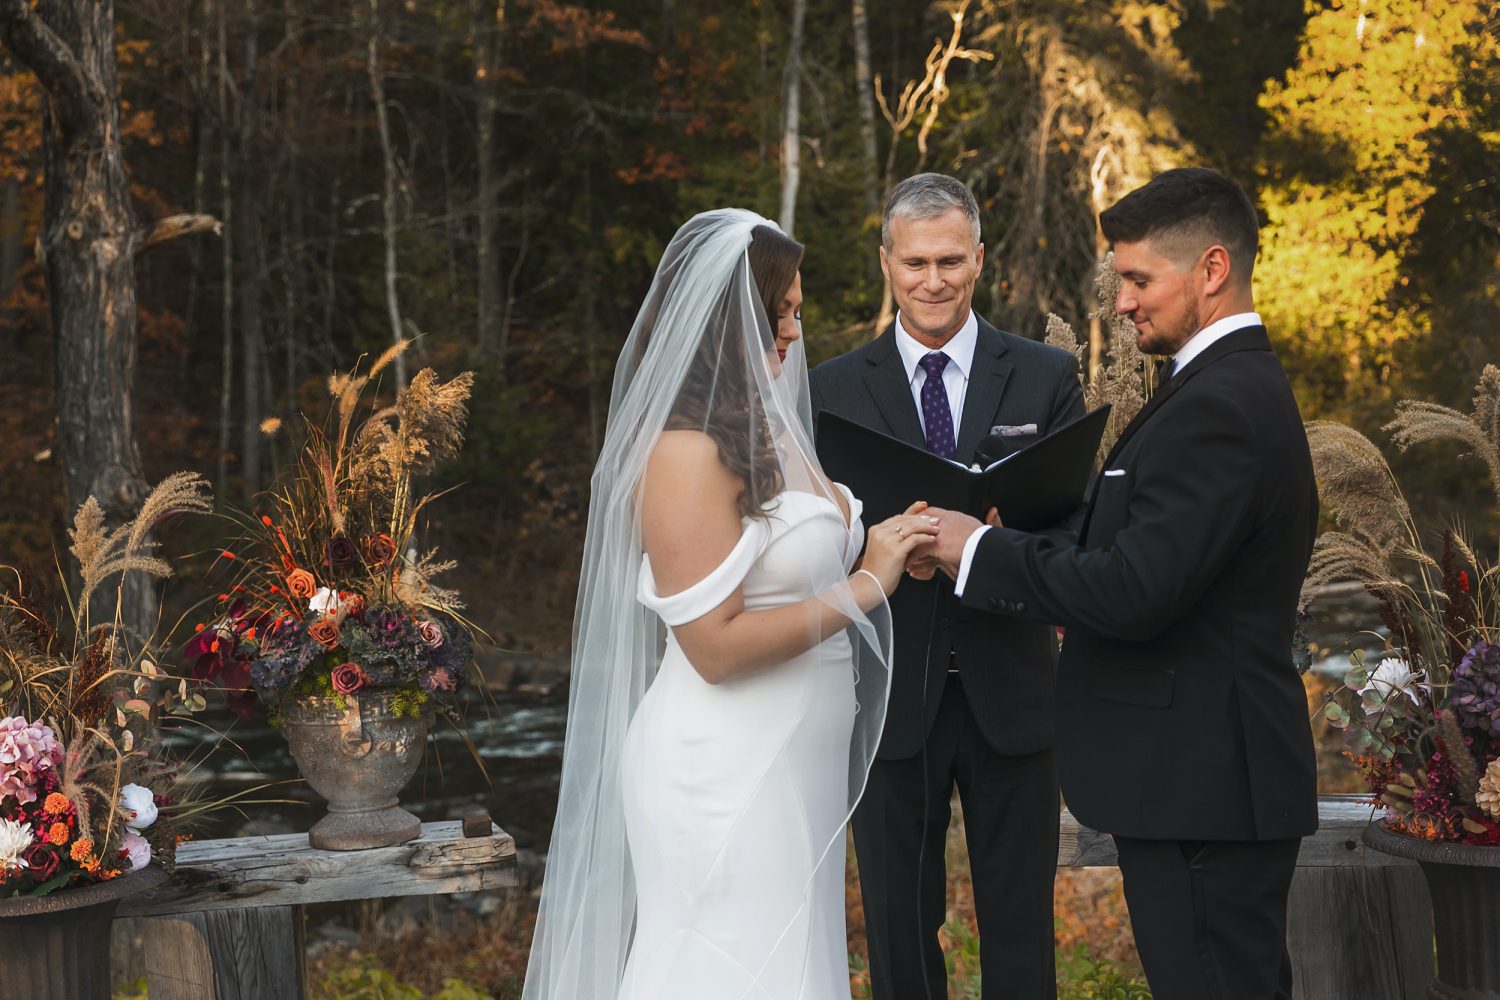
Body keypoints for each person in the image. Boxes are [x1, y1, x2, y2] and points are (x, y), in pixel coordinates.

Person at [920, 167, 1319, 1000]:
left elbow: (1136, 591)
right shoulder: (1214, 389)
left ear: (1212, 270)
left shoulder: (1223, 406)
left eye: (1139, 279)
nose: (1123, 302)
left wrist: (980, 555)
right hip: (1196, 786)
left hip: (1205, 790)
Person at [522, 209, 938, 1000]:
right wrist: (866, 585)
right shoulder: (683, 451)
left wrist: (886, 541)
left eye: (797, 311)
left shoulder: (770, 430)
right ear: (726, 321)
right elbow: (713, 646)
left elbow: (797, 555)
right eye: (778, 311)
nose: (793, 331)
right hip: (725, 770)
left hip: (797, 766)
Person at [809, 173, 1084, 1000]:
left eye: (952, 262)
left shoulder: (1044, 376)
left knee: (1021, 930)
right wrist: (881, 557)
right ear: (886, 261)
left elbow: (1076, 535)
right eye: (917, 262)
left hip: (1015, 692)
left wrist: (989, 549)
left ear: (981, 260)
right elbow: (799, 543)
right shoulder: (827, 389)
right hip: (890, 699)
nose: (935, 281)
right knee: (897, 931)